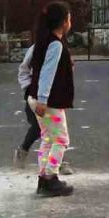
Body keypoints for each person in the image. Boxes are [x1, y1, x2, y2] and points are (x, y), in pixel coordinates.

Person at [26, 1, 77, 197]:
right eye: (69, 18)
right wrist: (43, 98)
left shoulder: (43, 40)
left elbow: (29, 66)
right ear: (64, 22)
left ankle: (43, 178)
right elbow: (47, 72)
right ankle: (50, 177)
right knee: (61, 140)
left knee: (48, 139)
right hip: (48, 102)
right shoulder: (55, 43)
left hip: (37, 97)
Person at [15, 43, 72, 175]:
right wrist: (29, 89)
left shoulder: (60, 47)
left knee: (52, 134)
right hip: (37, 98)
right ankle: (25, 153)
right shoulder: (38, 48)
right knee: (44, 131)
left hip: (53, 99)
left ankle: (52, 167)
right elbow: (23, 70)